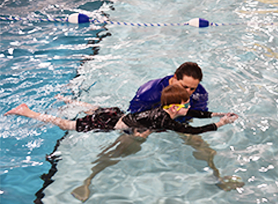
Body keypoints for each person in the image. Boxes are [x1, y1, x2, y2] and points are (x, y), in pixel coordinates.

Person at [4, 85, 238, 137]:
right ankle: (28, 111)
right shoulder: (163, 119)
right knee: (66, 125)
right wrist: (222, 124)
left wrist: (217, 114)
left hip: (117, 115)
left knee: (97, 109)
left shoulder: (167, 110)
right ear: (174, 107)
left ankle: (69, 101)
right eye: (186, 103)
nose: (190, 106)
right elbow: (193, 131)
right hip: (109, 122)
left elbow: (194, 115)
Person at [128, 62, 208, 123]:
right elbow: (133, 116)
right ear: (175, 77)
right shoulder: (150, 93)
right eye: (184, 87)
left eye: (192, 89)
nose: (188, 92)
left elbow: (198, 113)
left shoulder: (200, 93)